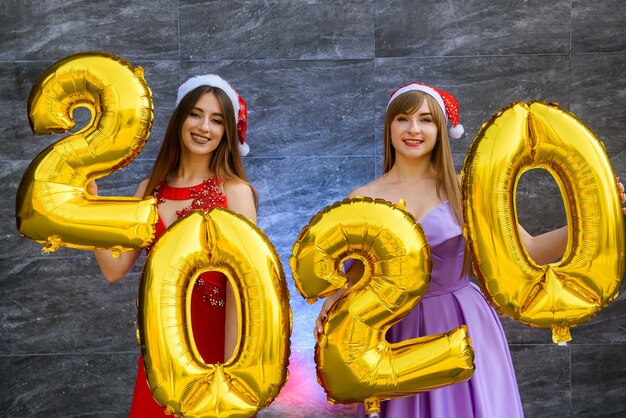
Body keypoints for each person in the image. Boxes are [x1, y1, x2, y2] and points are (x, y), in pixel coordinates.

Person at [314, 82, 626, 418]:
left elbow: (530, 250)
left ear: (442, 130)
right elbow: (356, 279)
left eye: (426, 120)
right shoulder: (361, 199)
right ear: (389, 127)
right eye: (403, 119)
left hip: (462, 322)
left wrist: (601, 215)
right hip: (394, 335)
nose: (414, 129)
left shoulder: (466, 189)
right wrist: (334, 301)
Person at [91, 74, 257, 416]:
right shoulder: (147, 191)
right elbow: (113, 268)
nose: (204, 127)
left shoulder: (235, 192)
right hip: (160, 348)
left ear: (227, 131)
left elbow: (244, 288)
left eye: (217, 120)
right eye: (196, 114)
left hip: (215, 348)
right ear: (180, 118)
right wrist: (90, 209)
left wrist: (230, 371)